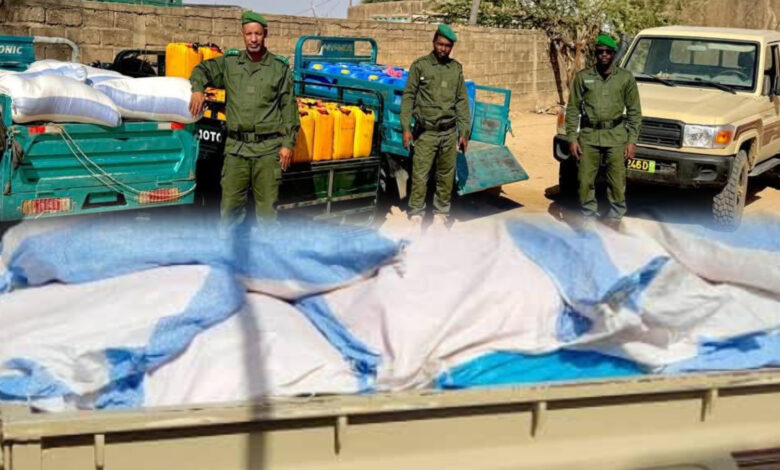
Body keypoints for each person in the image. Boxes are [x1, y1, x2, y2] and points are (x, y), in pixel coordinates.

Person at [189, 11, 299, 225]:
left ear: (265, 34)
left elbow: (289, 108)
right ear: (242, 34)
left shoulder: (279, 68)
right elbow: (202, 69)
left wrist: (288, 143)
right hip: (236, 149)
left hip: (267, 150)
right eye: (249, 34)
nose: (253, 39)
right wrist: (198, 89)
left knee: (268, 214)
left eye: (258, 34)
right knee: (230, 211)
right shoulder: (230, 63)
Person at [565, 33, 642, 230]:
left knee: (617, 182)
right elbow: (572, 109)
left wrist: (632, 140)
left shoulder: (625, 78)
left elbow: (634, 111)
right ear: (595, 53)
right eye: (600, 52)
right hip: (589, 136)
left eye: (608, 52)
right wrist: (572, 138)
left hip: (616, 136)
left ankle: (615, 217)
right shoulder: (583, 77)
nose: (604, 55)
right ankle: (588, 216)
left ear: (614, 54)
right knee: (584, 181)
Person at [400, 24, 471, 230]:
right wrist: (406, 128)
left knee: (445, 176)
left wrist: (464, 132)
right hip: (426, 133)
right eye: (440, 44)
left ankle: (441, 216)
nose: (443, 49)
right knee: (420, 176)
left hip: (448, 132)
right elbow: (408, 97)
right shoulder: (420, 66)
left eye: (447, 46)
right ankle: (416, 216)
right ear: (433, 43)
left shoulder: (455, 69)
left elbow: (461, 101)